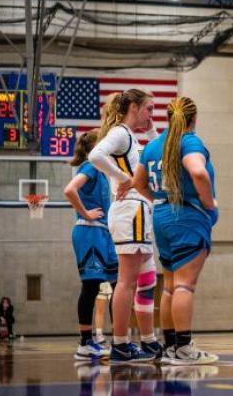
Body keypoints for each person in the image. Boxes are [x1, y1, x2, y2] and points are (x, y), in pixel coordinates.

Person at [132, 96, 219, 365]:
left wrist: (159, 200)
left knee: (169, 287)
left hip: (162, 217)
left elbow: (138, 183)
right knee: (185, 286)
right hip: (187, 217)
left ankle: (170, 347)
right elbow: (199, 172)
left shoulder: (153, 146)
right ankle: (184, 348)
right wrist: (208, 201)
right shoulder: (189, 141)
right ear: (193, 118)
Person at [89, 89, 162, 364]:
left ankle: (148, 342)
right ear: (133, 107)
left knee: (145, 281)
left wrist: (152, 128)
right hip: (130, 211)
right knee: (126, 282)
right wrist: (124, 179)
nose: (151, 115)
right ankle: (120, 344)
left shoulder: (132, 137)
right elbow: (96, 155)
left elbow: (160, 155)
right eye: (149, 109)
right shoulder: (120, 133)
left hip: (138, 212)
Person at [64, 129, 116, 360]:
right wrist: (85, 213)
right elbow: (69, 189)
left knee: (118, 284)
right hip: (89, 232)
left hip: (105, 233)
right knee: (91, 286)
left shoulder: (104, 171)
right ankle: (85, 344)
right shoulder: (91, 166)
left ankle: (120, 341)